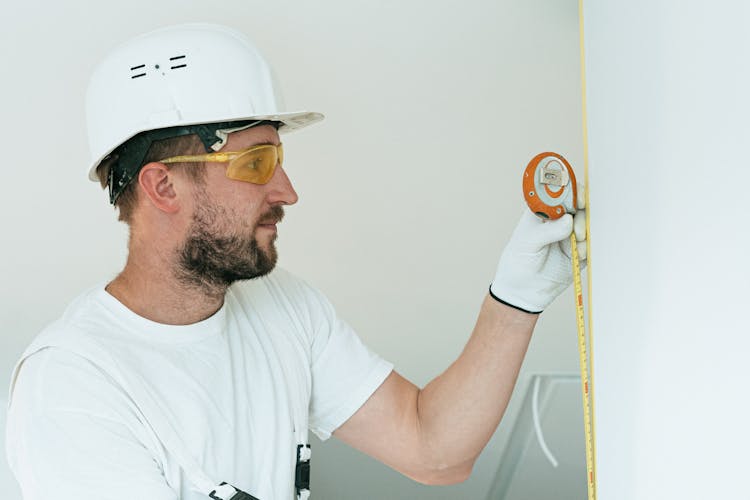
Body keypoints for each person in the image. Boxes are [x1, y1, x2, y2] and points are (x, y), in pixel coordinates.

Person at [5, 23, 586, 500]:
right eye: (256, 163)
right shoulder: (75, 385)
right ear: (163, 187)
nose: (286, 190)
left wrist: (517, 298)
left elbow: (434, 451)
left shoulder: (284, 309)